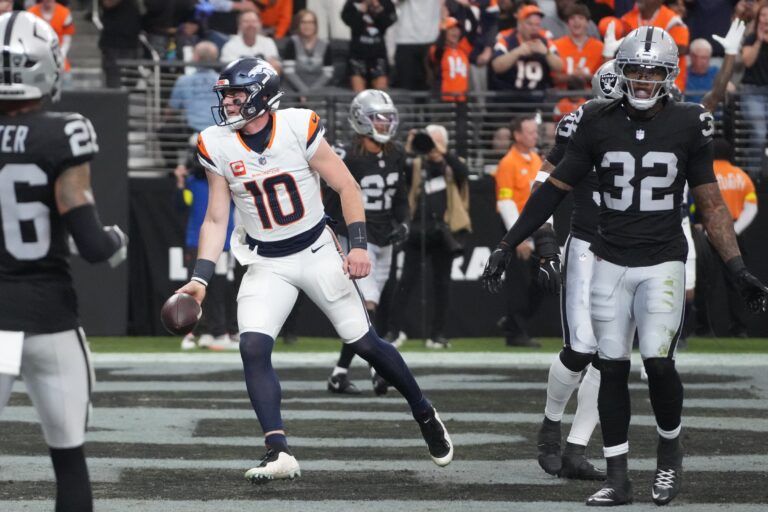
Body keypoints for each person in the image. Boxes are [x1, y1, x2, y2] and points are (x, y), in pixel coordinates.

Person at [482, 27, 768, 506]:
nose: (639, 80)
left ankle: (664, 459)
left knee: (657, 364)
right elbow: (552, 186)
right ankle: (613, 472)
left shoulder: (688, 121)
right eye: (633, 69)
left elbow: (712, 201)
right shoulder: (592, 120)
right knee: (604, 362)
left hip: (660, 259)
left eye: (651, 71)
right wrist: (512, 242)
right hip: (603, 254)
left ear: (668, 75)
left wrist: (736, 268)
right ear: (616, 72)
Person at [175, 57, 453, 482]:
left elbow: (346, 186)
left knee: (365, 343)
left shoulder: (298, 126)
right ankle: (277, 449)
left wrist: (357, 246)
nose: (228, 103)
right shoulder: (215, 142)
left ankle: (423, 410)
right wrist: (199, 278)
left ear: (262, 96)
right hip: (266, 260)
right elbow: (216, 218)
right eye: (226, 95)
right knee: (252, 347)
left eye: (236, 95)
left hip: (317, 250)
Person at [0, 12, 128, 512]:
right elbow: (93, 245)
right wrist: (116, 238)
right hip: (48, 319)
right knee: (68, 459)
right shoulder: (64, 132)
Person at [532, 59, 623, 483]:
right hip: (588, 244)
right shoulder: (579, 122)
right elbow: (544, 183)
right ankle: (551, 425)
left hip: (632, 250)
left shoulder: (661, 122)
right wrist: (545, 240)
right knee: (581, 348)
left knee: (611, 356)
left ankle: (576, 448)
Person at [324, 89, 409, 395]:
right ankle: (379, 370)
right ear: (362, 119)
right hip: (358, 237)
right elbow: (332, 200)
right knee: (368, 304)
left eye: (388, 119)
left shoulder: (397, 154)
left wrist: (404, 223)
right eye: (378, 118)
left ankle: (339, 372)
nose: (385, 124)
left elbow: (400, 197)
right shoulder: (346, 154)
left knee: (365, 309)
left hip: (384, 236)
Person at [386, 125, 471, 349]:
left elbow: (463, 173)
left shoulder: (451, 162)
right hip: (417, 230)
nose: (430, 145)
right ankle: (394, 331)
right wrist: (410, 147)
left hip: (444, 232)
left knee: (442, 284)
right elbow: (397, 169)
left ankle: (437, 333)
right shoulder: (416, 163)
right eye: (428, 140)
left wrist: (441, 153)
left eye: (435, 140)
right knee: (405, 282)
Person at [174, 139, 238, 350]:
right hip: (196, 242)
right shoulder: (192, 182)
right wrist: (180, 182)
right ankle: (197, 332)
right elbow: (182, 205)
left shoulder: (226, 182)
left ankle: (218, 332)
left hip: (222, 244)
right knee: (196, 290)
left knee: (219, 290)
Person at [493, 114, 545, 348]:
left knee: (542, 281)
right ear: (517, 135)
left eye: (535, 131)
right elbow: (505, 202)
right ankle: (515, 332)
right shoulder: (508, 163)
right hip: (517, 230)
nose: (535, 135)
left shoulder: (536, 159)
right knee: (519, 284)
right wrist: (518, 237)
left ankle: (513, 322)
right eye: (531, 132)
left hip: (536, 227)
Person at [490, 5, 563, 107]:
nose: (534, 28)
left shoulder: (545, 39)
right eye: (529, 24)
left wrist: (546, 52)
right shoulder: (506, 38)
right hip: (508, 99)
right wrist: (517, 52)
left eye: (537, 25)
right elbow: (496, 66)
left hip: (537, 99)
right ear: (519, 24)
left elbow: (559, 66)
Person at [621, 0, 690, 91]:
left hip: (667, 85)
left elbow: (681, 48)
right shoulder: (626, 19)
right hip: (633, 82)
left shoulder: (673, 20)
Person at [341, 0, 397, 92]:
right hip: (357, 55)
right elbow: (351, 24)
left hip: (378, 55)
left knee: (381, 94)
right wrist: (361, 11)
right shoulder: (352, 3)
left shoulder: (386, 3)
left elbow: (386, 23)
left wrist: (377, 8)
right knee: (359, 95)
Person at [281, 9, 335, 95]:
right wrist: (303, 91)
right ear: (298, 24)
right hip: (294, 89)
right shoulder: (292, 42)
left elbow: (327, 74)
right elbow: (289, 72)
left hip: (317, 89)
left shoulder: (325, 44)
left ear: (315, 25)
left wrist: (311, 93)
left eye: (311, 22)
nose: (307, 26)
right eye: (303, 22)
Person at [686, 39, 719, 104]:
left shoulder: (715, 71)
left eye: (706, 57)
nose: (704, 61)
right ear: (692, 56)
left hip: (712, 112)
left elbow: (731, 89)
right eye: (702, 58)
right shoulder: (683, 73)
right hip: (689, 111)